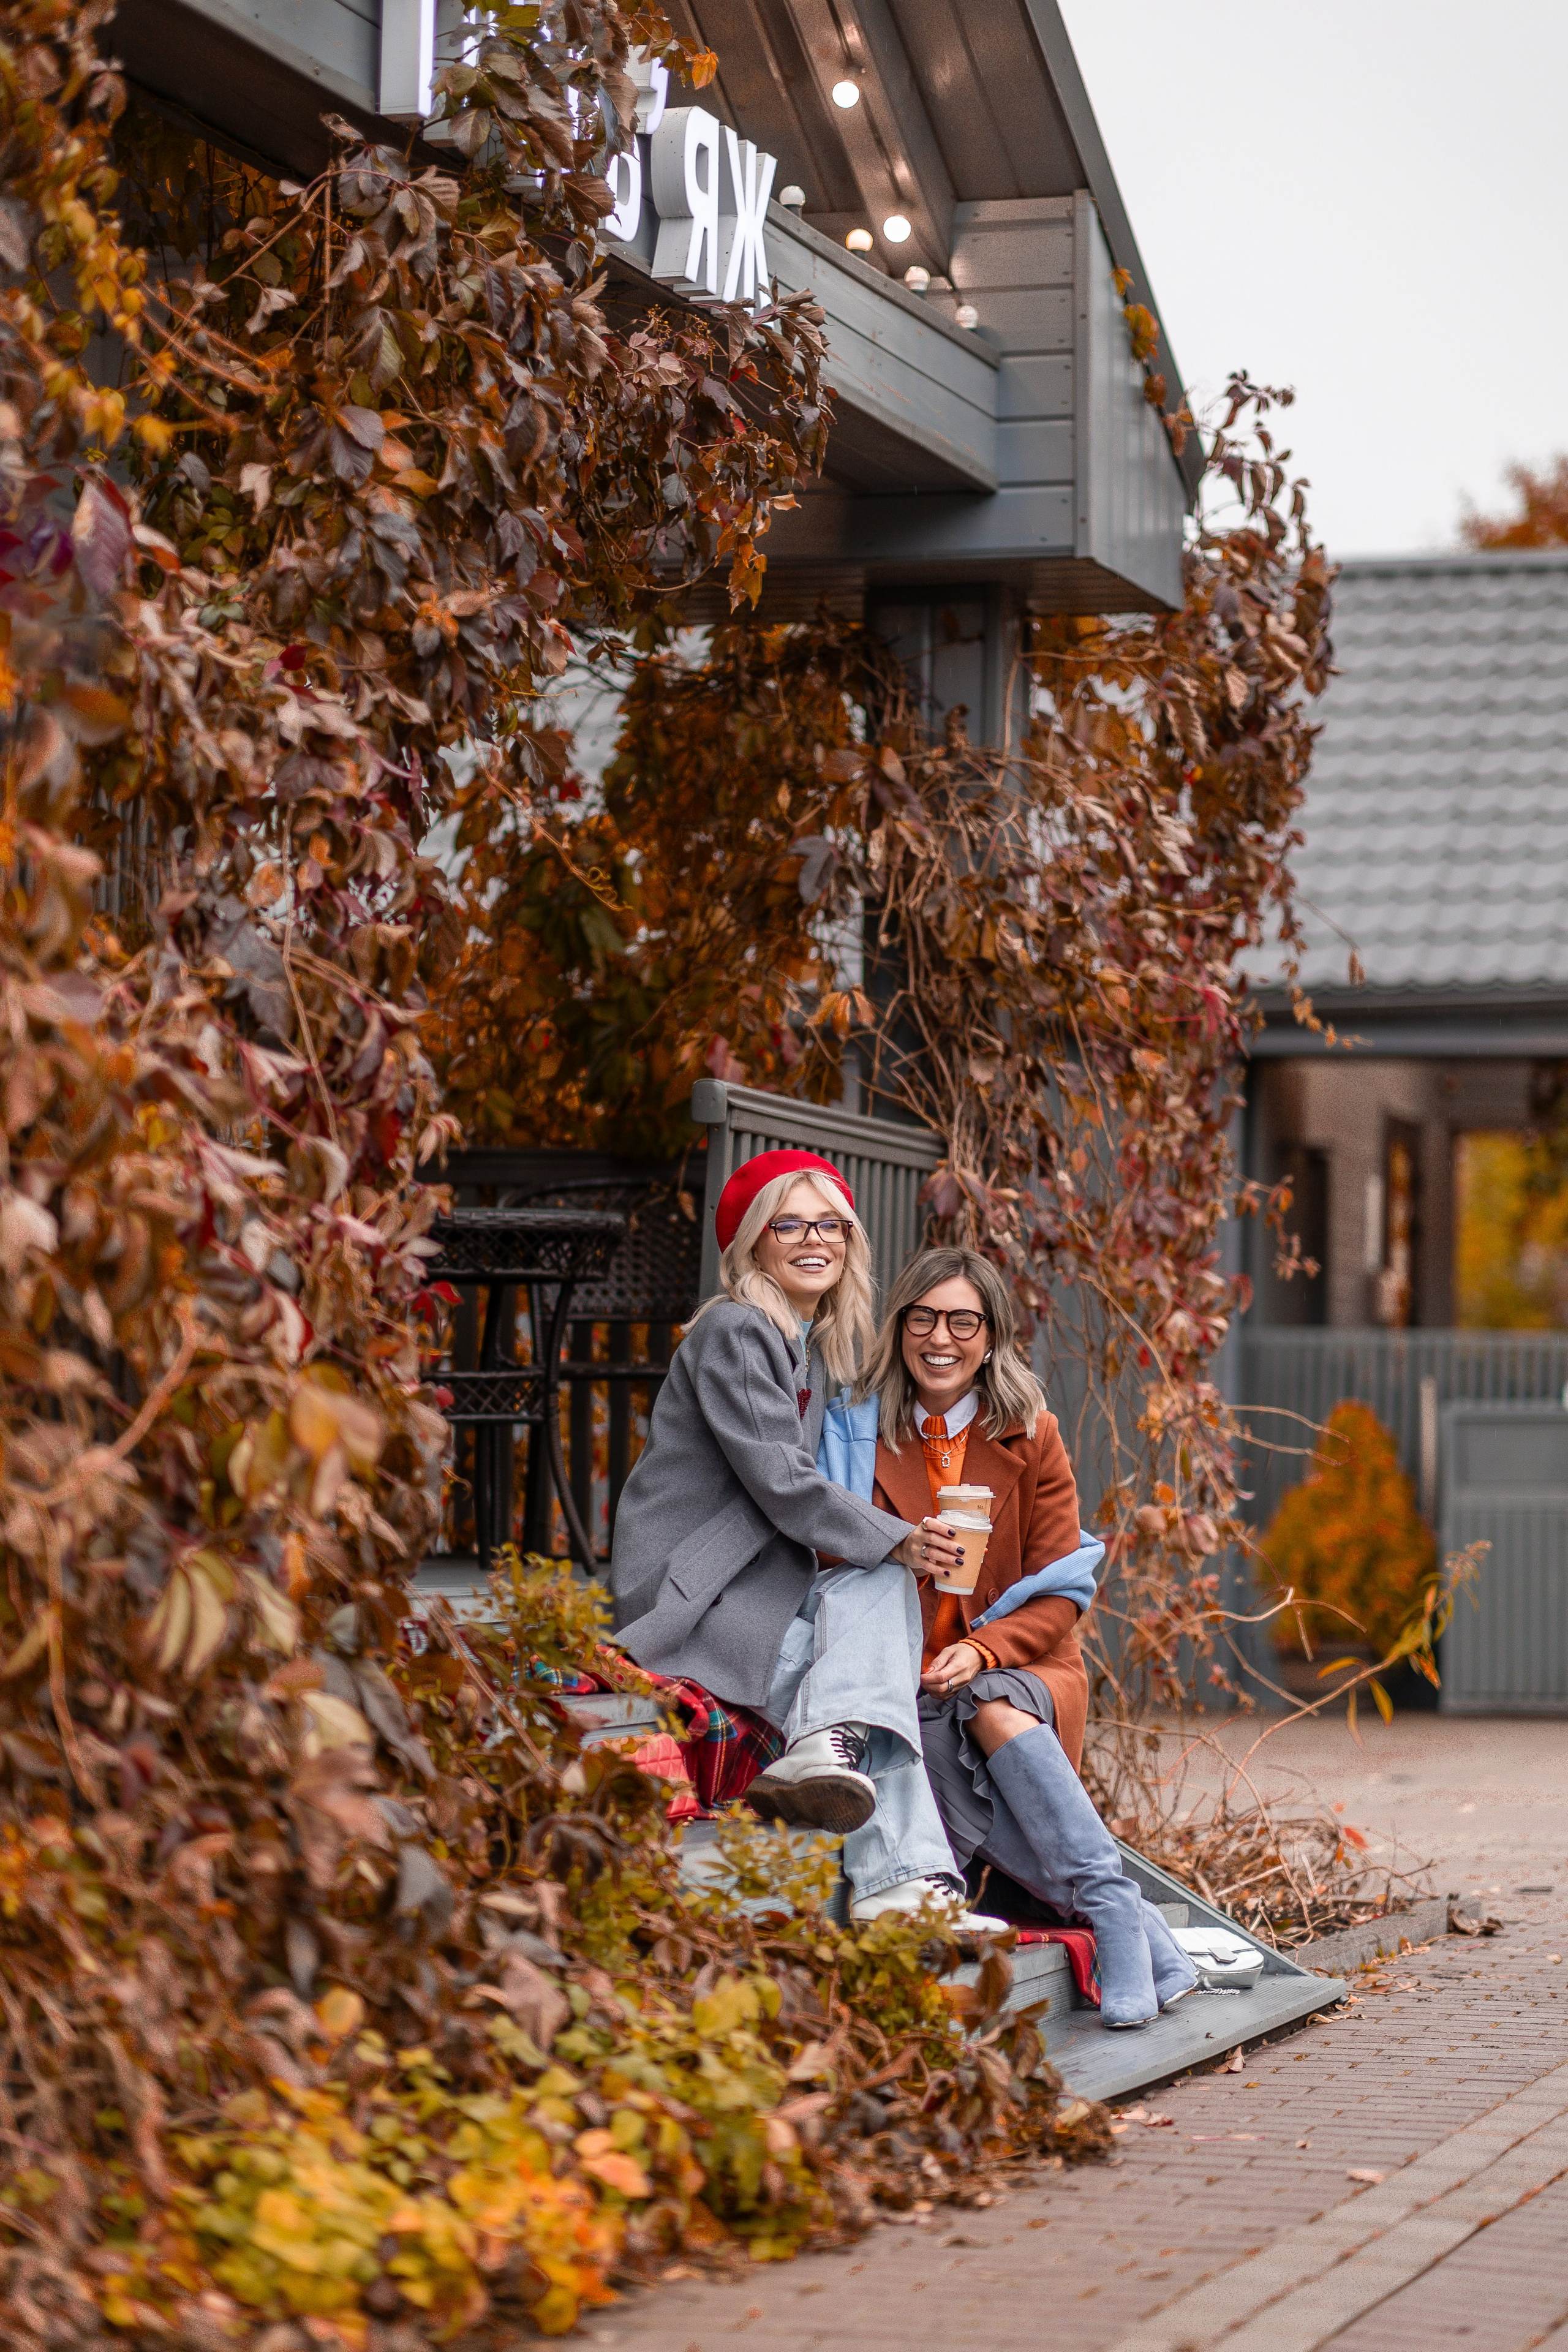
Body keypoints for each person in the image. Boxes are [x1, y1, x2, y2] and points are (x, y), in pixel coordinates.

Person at [609, 1150, 1001, 1932]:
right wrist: (899, 1537)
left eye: (830, 1225)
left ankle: (832, 1767)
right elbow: (782, 1481)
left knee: (872, 1626)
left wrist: (890, 1553)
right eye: (788, 1224)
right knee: (870, 1675)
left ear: (850, 1241)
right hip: (696, 1593)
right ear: (755, 1241)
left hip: (753, 1587)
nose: (812, 1239)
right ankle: (904, 1883)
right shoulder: (734, 1328)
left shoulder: (803, 1346)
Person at [862, 1247, 1198, 2029]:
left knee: (988, 1705)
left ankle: (1110, 1908)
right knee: (935, 1734)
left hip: (1024, 1665)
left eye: (962, 1321)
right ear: (900, 1327)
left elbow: (1060, 1596)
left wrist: (980, 1650)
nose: (939, 1337)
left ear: (990, 1338)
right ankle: (1130, 1918)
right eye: (922, 1317)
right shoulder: (863, 1434)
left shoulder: (1031, 1433)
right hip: (911, 1682)